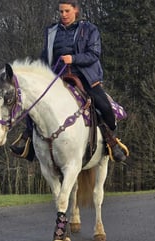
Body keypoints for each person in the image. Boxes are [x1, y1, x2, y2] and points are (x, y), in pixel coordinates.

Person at [10, 0, 127, 162]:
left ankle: (111, 141)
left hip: (84, 76)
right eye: (61, 12)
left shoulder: (89, 29)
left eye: (66, 11)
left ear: (75, 11)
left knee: (103, 105)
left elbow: (93, 54)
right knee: (34, 104)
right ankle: (29, 141)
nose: (63, 15)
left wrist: (73, 58)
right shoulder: (52, 31)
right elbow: (45, 57)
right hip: (57, 76)